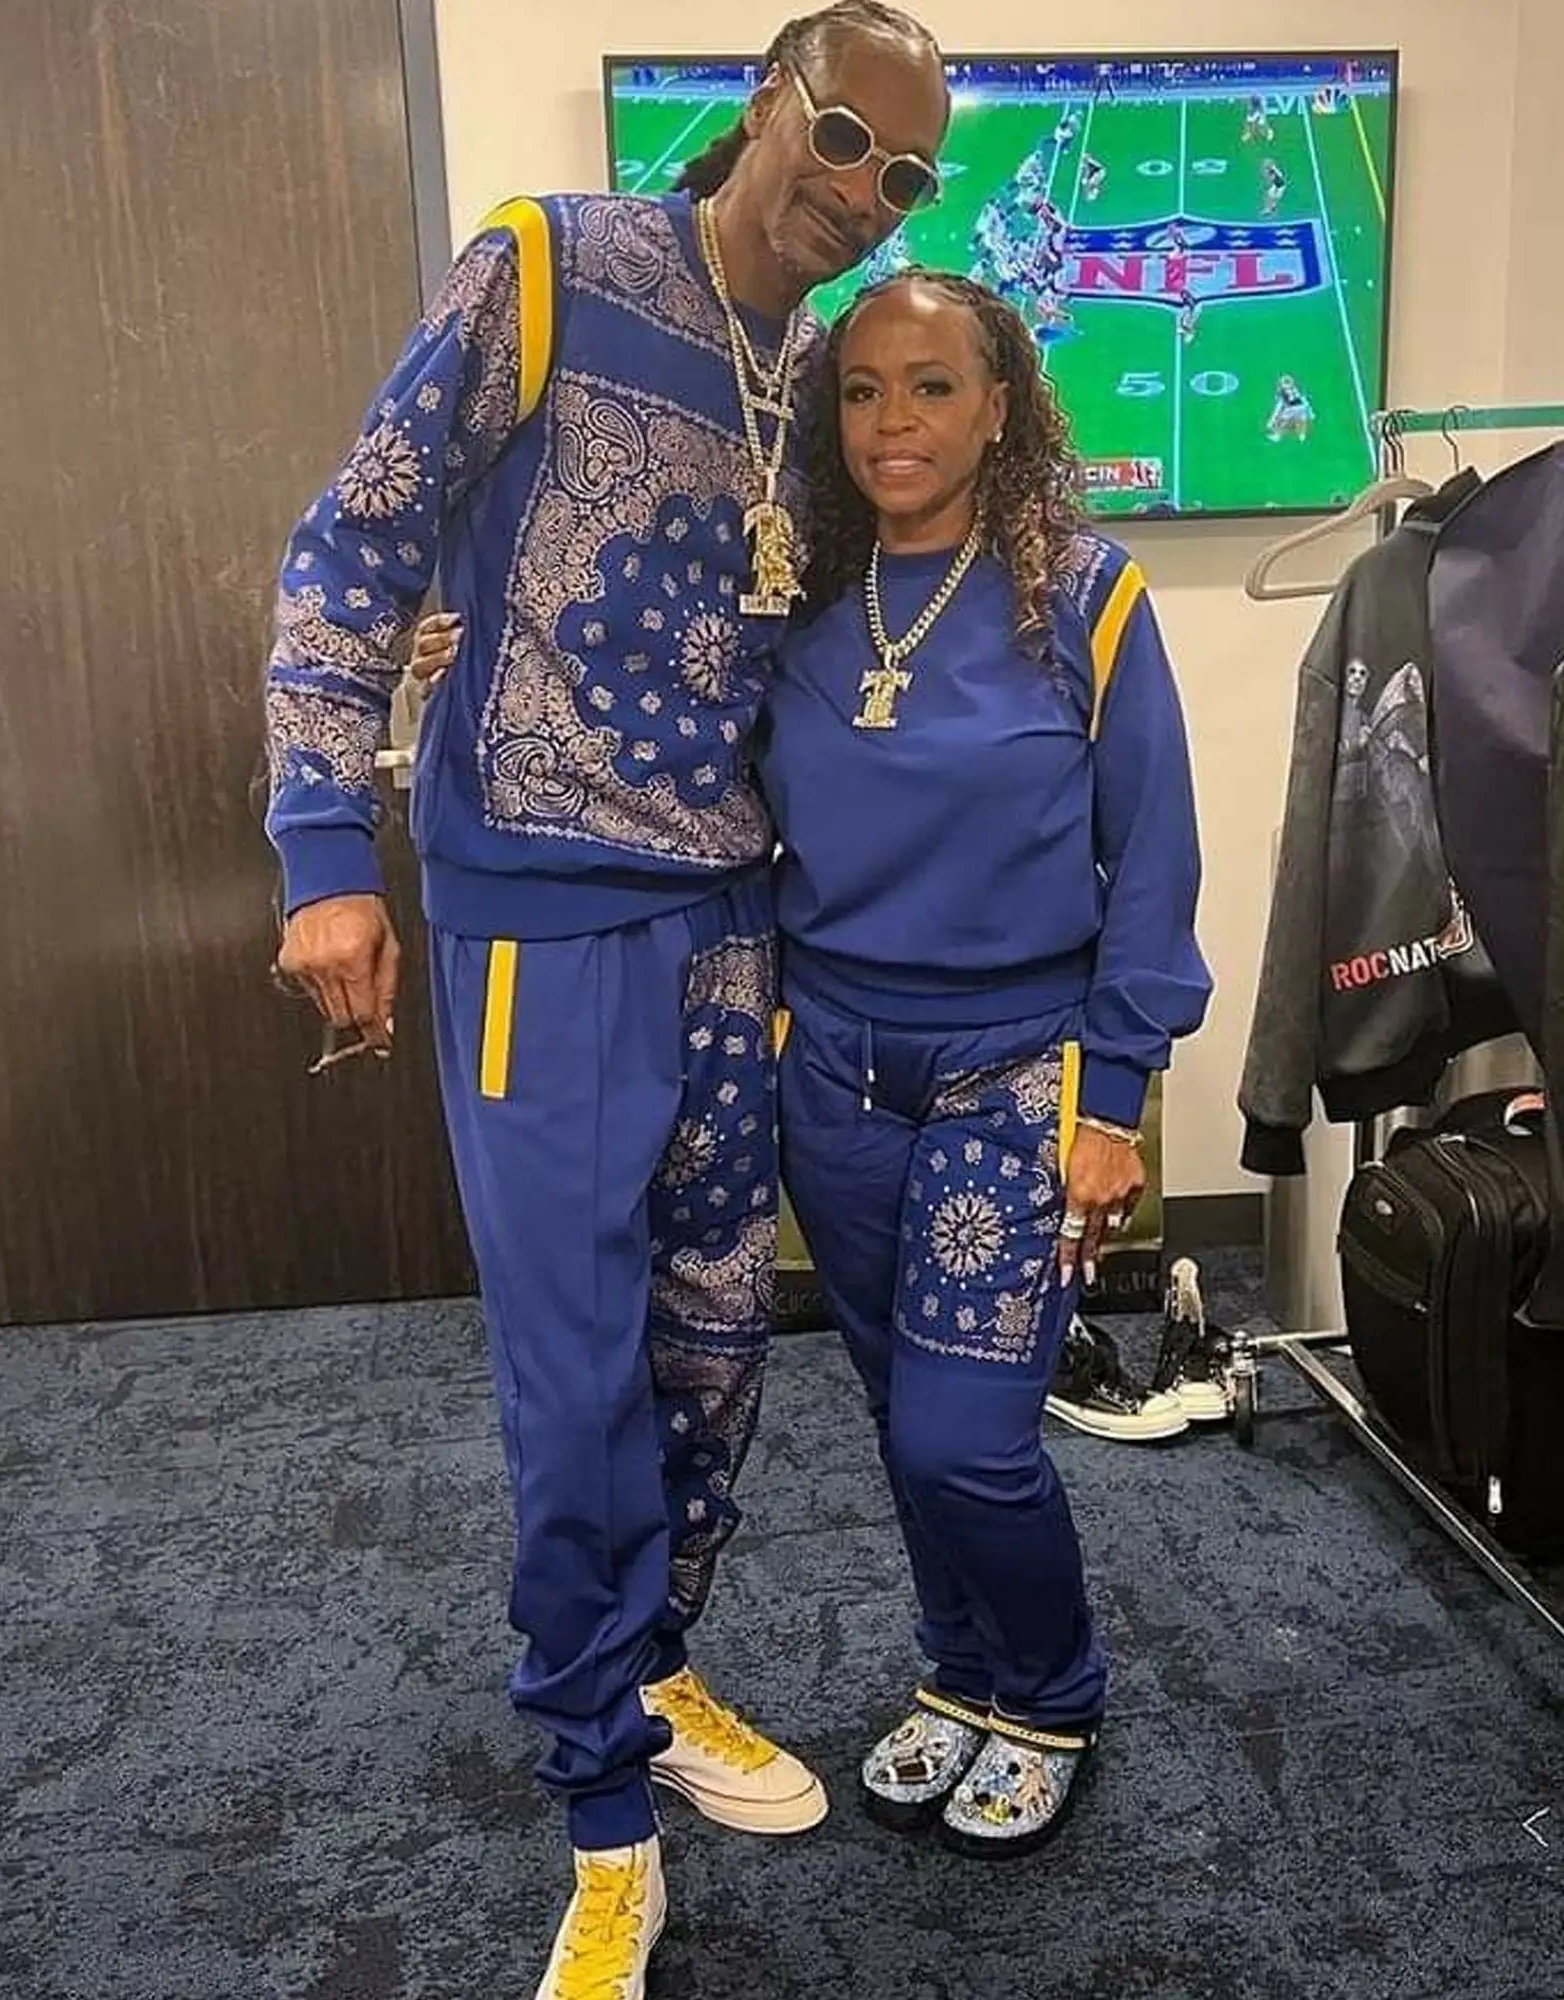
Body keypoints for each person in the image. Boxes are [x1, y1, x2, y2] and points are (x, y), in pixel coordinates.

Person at [264, 7, 948, 1995]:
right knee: (574, 1385)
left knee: (713, 1352)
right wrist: (322, 847)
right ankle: (600, 1814)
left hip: (735, 926)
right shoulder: (549, 264)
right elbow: (356, 542)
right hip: (541, 922)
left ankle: (652, 1664)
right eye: (842, 135)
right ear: (763, 105)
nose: (862, 190)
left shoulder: (825, 375)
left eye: (906, 174)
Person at [759, 271, 1211, 1854]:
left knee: (969, 1436)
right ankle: (962, 1672)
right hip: (835, 1070)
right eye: (862, 389)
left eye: (934, 385)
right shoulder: (797, 596)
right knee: (905, 1416)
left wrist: (1116, 1100)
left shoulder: (1085, 594)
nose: (894, 421)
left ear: (1000, 405)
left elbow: (1153, 858)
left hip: (1013, 1069)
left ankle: (1055, 1693)